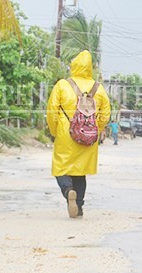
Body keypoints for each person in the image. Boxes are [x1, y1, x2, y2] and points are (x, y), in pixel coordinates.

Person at [46, 50, 111, 219]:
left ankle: (68, 191)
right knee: (80, 171)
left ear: (74, 65)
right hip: (88, 137)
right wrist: (95, 129)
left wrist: (55, 131)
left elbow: (52, 111)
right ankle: (79, 207)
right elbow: (105, 114)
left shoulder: (62, 85)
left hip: (66, 134)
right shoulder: (99, 88)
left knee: (60, 168)